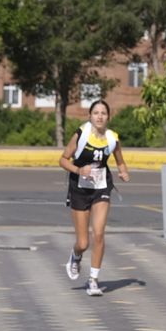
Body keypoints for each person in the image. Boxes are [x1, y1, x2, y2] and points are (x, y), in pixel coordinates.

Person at [59, 99, 129, 297]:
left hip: (101, 187)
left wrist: (123, 172)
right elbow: (63, 159)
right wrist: (78, 170)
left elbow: (120, 161)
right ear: (90, 116)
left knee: (98, 234)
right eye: (96, 113)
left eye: (103, 113)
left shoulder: (112, 138)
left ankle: (93, 280)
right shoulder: (81, 134)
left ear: (108, 117)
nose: (99, 116)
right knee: (83, 243)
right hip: (80, 188)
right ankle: (76, 255)